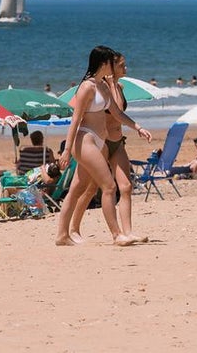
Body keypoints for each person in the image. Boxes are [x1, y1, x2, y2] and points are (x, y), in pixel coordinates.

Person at [55, 45, 148, 247]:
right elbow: (76, 120)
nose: (114, 67)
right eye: (111, 63)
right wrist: (67, 150)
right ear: (104, 63)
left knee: (77, 189)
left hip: (99, 140)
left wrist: (138, 127)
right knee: (109, 186)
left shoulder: (103, 87)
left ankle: (63, 235)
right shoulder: (87, 87)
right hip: (85, 139)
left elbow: (117, 114)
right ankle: (117, 235)